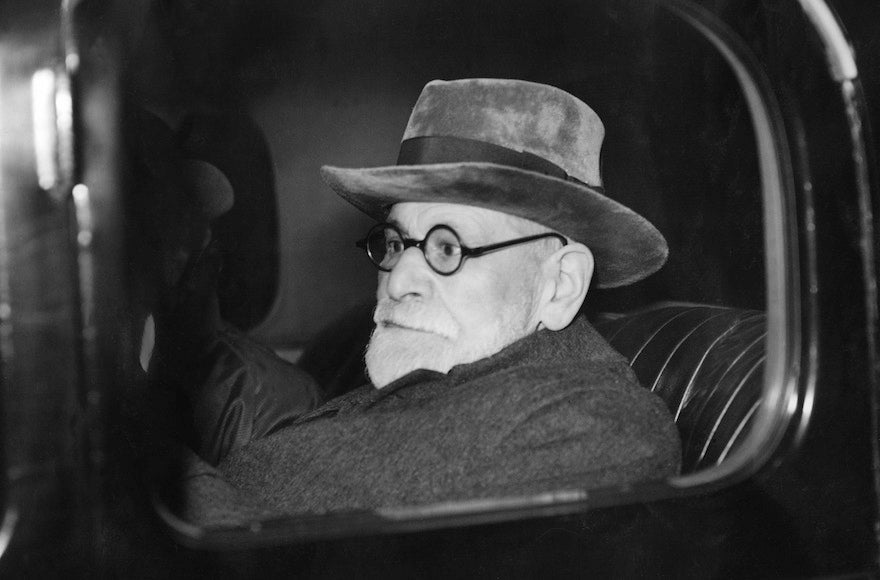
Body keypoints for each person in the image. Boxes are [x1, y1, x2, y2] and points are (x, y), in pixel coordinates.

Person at [176, 78, 680, 523]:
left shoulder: (594, 427)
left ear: (561, 285)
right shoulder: (435, 379)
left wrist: (139, 462)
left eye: (447, 248)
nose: (396, 281)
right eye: (395, 244)